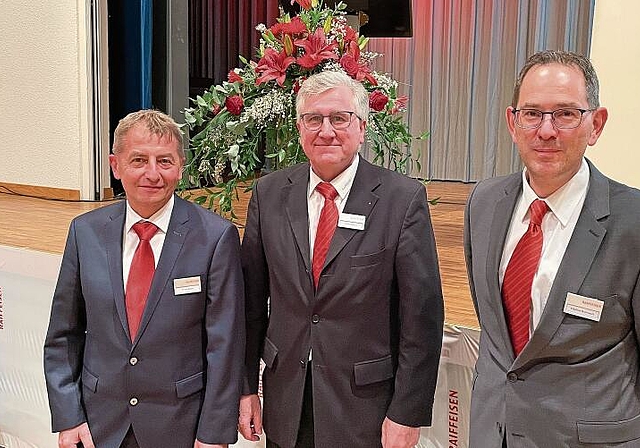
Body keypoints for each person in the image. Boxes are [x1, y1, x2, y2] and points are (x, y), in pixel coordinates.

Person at [238, 70, 444, 448]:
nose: (326, 130)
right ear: (300, 129)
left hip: (365, 407)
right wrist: (246, 387)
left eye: (339, 118)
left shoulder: (402, 200)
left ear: (362, 127)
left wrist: (407, 412)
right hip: (287, 399)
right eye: (313, 119)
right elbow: (250, 304)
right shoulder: (268, 195)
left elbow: (422, 318)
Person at [465, 50, 640, 446]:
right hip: (494, 431)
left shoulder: (633, 222)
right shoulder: (484, 203)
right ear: (513, 123)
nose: (546, 131)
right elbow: (496, 335)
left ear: (595, 124)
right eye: (532, 114)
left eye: (565, 114)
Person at [43, 110, 245, 448]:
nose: (152, 174)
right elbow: (63, 334)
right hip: (99, 424)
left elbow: (225, 345)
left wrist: (213, 432)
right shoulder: (85, 233)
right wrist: (69, 415)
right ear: (115, 165)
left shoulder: (215, 237)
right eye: (138, 160)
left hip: (180, 425)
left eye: (164, 161)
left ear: (181, 166)